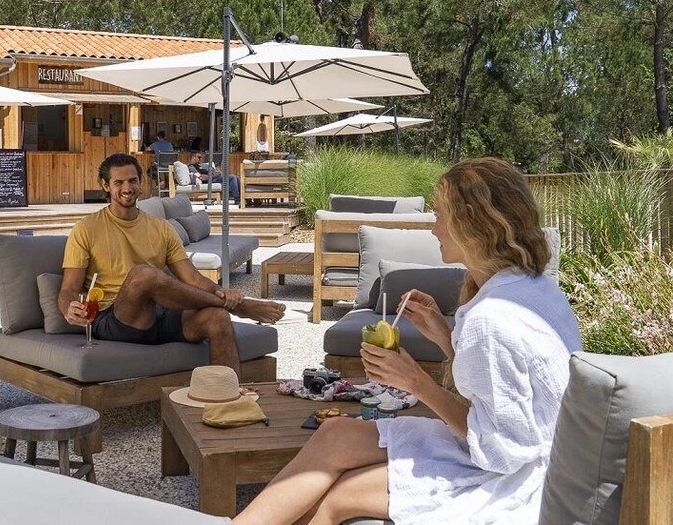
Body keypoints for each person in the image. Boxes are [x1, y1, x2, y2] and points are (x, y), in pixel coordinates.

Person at [234, 157, 582, 525]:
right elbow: (503, 389)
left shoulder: (491, 318)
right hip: (511, 451)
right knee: (336, 432)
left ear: (468, 220)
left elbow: (503, 451)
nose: (434, 229)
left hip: (514, 480)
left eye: (440, 216)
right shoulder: (532, 287)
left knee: (340, 496)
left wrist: (416, 382)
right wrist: (443, 335)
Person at [59, 153, 286, 372]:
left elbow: (193, 278)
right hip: (116, 319)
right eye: (118, 182)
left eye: (132, 181)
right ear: (105, 185)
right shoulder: (86, 229)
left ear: (141, 182)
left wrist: (221, 293)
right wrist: (69, 308)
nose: (127, 188)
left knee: (217, 318)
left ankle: (228, 394)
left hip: (159, 316)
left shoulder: (161, 228)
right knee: (143, 275)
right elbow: (68, 289)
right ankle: (240, 307)